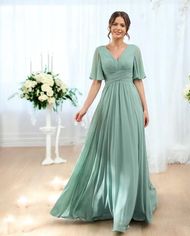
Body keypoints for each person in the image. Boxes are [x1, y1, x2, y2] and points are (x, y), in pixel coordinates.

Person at [50, 11, 157, 233]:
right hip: (108, 105)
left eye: (123, 25)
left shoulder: (135, 51)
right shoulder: (99, 52)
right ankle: (109, 201)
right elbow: (96, 83)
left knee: (128, 155)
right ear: (109, 26)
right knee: (109, 155)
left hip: (130, 104)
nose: (119, 27)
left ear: (127, 29)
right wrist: (84, 108)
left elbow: (138, 80)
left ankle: (123, 213)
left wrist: (145, 108)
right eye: (115, 24)